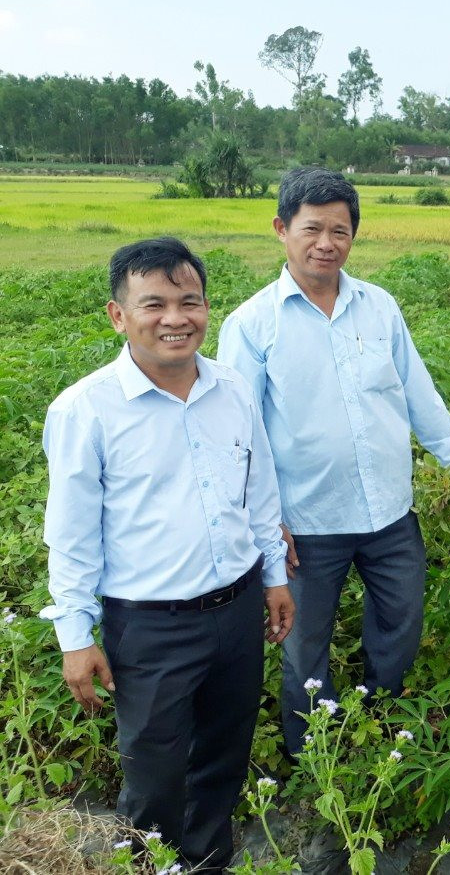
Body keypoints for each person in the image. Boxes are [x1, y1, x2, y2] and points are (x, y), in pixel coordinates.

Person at [217, 166, 450, 756]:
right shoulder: (251, 325)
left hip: (390, 514)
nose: (326, 243)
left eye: (339, 231)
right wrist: (263, 522)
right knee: (304, 645)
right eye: (312, 228)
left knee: (401, 621)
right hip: (305, 525)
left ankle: (377, 722)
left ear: (353, 236)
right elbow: (237, 436)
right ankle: (310, 753)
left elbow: (419, 395)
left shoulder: (380, 308)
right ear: (281, 230)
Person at [41, 238, 294, 872]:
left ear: (207, 307)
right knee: (154, 779)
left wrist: (272, 577)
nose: (175, 318)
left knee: (223, 760)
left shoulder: (233, 389)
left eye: (190, 301)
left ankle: (209, 864)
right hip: (150, 625)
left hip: (236, 609)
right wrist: (76, 633)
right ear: (118, 315)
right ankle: (151, 867)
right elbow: (71, 533)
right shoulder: (85, 410)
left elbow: (258, 491)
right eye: (153, 303)